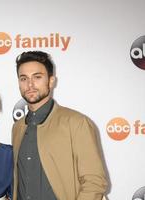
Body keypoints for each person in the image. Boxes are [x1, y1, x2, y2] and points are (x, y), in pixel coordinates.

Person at [12, 51, 108, 200]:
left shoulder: (77, 123)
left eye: (37, 77)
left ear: (51, 81)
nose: (30, 84)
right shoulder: (18, 127)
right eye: (23, 78)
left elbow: (94, 183)